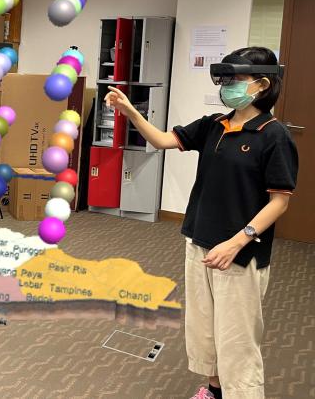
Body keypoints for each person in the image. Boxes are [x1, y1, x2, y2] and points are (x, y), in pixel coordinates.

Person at [105, 47, 297, 399]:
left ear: (262, 84)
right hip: (200, 242)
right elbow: (162, 140)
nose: (227, 87)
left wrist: (237, 241)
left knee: (237, 338)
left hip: (239, 253)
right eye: (225, 80)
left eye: (236, 79)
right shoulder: (214, 125)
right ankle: (214, 389)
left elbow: (279, 202)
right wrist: (130, 110)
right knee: (205, 330)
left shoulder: (274, 135)